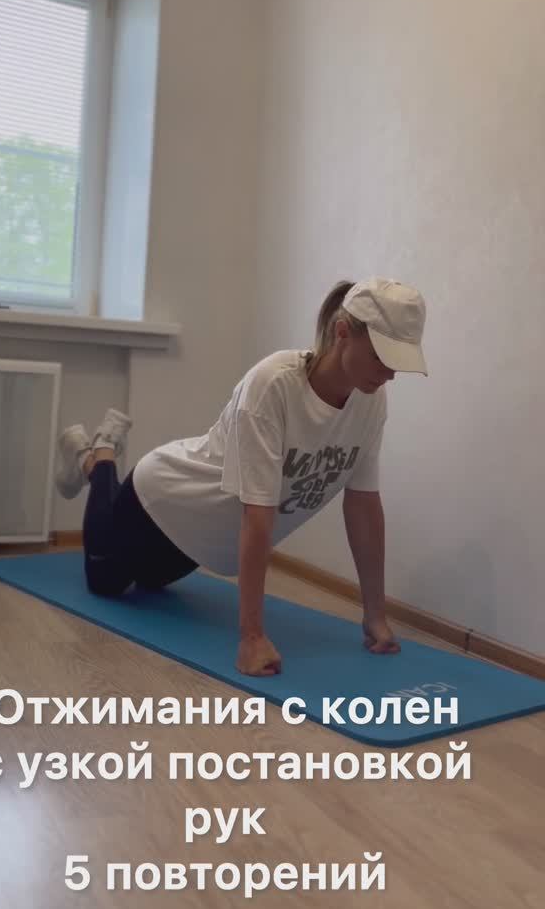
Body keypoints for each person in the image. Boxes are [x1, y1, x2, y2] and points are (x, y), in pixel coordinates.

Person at [55, 276, 428, 678]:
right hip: (161, 500)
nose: (391, 374)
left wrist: (375, 615)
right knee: (106, 580)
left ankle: (101, 458)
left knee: (151, 583)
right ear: (342, 333)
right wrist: (252, 637)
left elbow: (364, 505)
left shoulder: (370, 402)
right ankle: (100, 456)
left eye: (398, 362)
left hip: (203, 542)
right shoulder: (273, 386)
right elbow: (257, 515)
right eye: (382, 357)